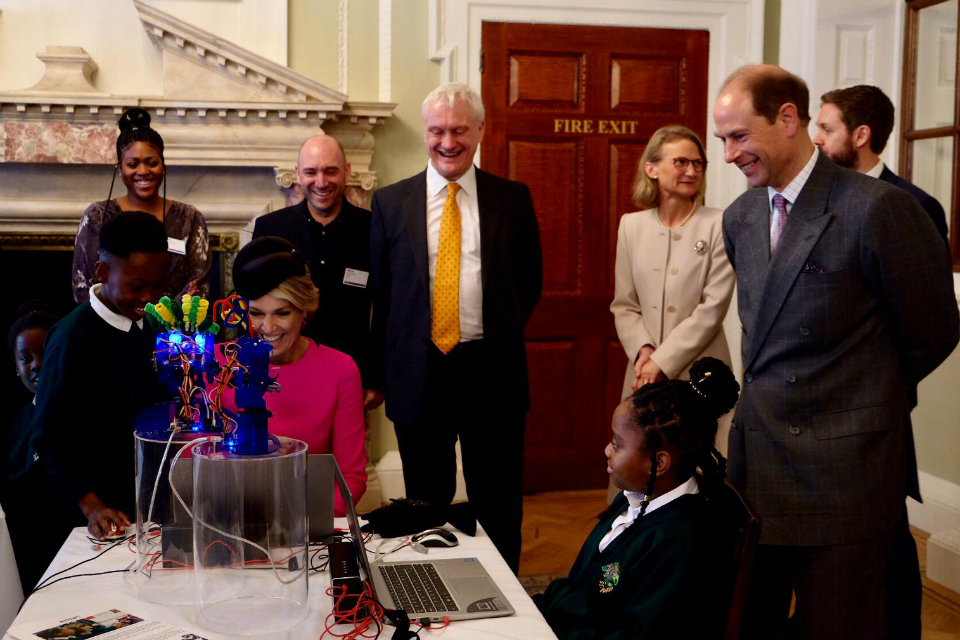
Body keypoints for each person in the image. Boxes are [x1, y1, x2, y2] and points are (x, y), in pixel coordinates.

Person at [714, 64, 959, 639]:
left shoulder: (878, 208)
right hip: (758, 465)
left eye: (739, 136)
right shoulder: (741, 216)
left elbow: (934, 330)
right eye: (722, 139)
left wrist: (857, 396)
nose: (727, 155)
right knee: (753, 622)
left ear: (788, 119)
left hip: (845, 475)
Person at [370, 82, 543, 573]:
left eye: (460, 130)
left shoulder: (512, 199)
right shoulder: (390, 203)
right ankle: (434, 587)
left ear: (481, 131)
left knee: (499, 497)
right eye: (438, 131)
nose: (448, 141)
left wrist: (493, 334)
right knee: (426, 500)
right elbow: (384, 296)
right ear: (425, 133)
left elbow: (528, 284)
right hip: (419, 371)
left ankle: (507, 596)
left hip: (491, 370)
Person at [535, 357, 740, 639]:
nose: (607, 450)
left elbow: (641, 632)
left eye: (618, 444)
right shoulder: (634, 497)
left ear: (659, 462)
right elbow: (580, 589)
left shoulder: (684, 542)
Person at [33, 212, 169, 540]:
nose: (149, 297)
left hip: (149, 503)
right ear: (103, 272)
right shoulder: (70, 337)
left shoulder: (154, 325)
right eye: (136, 286)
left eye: (158, 285)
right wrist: (92, 505)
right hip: (95, 514)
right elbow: (48, 437)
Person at [224, 236, 367, 516]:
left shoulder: (340, 369)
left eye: (282, 313)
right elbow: (193, 465)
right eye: (256, 314)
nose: (267, 327)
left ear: (305, 309)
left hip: (307, 526)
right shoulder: (218, 363)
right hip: (226, 522)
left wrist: (296, 526)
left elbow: (350, 479)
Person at [610, 124, 735, 446]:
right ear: (651, 168)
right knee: (643, 456)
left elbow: (712, 308)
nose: (691, 171)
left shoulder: (720, 223)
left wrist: (661, 362)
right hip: (643, 369)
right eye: (680, 162)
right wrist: (644, 352)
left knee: (699, 460)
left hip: (702, 371)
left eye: (698, 164)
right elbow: (624, 304)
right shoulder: (631, 226)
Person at [253, 136, 383, 411]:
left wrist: (377, 376)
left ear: (347, 171)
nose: (321, 182)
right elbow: (256, 306)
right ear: (298, 174)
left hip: (352, 377)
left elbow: (386, 308)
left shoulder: (374, 228)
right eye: (311, 172)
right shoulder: (270, 229)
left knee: (346, 453)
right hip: (284, 373)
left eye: (331, 171)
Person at [72, 107, 211, 304]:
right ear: (120, 169)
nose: (143, 171)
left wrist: (160, 320)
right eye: (132, 164)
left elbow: (198, 285)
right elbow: (83, 286)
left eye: (152, 163)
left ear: (163, 166)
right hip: (112, 328)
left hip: (171, 329)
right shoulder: (97, 216)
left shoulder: (189, 218)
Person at [813, 84, 949, 244]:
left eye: (827, 130)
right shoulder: (815, 196)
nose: (816, 139)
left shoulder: (918, 206)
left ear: (861, 136)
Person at [2, 301, 65, 592]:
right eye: (26, 358)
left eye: (45, 353)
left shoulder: (85, 416)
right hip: (27, 559)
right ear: (16, 367)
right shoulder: (15, 425)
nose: (37, 364)